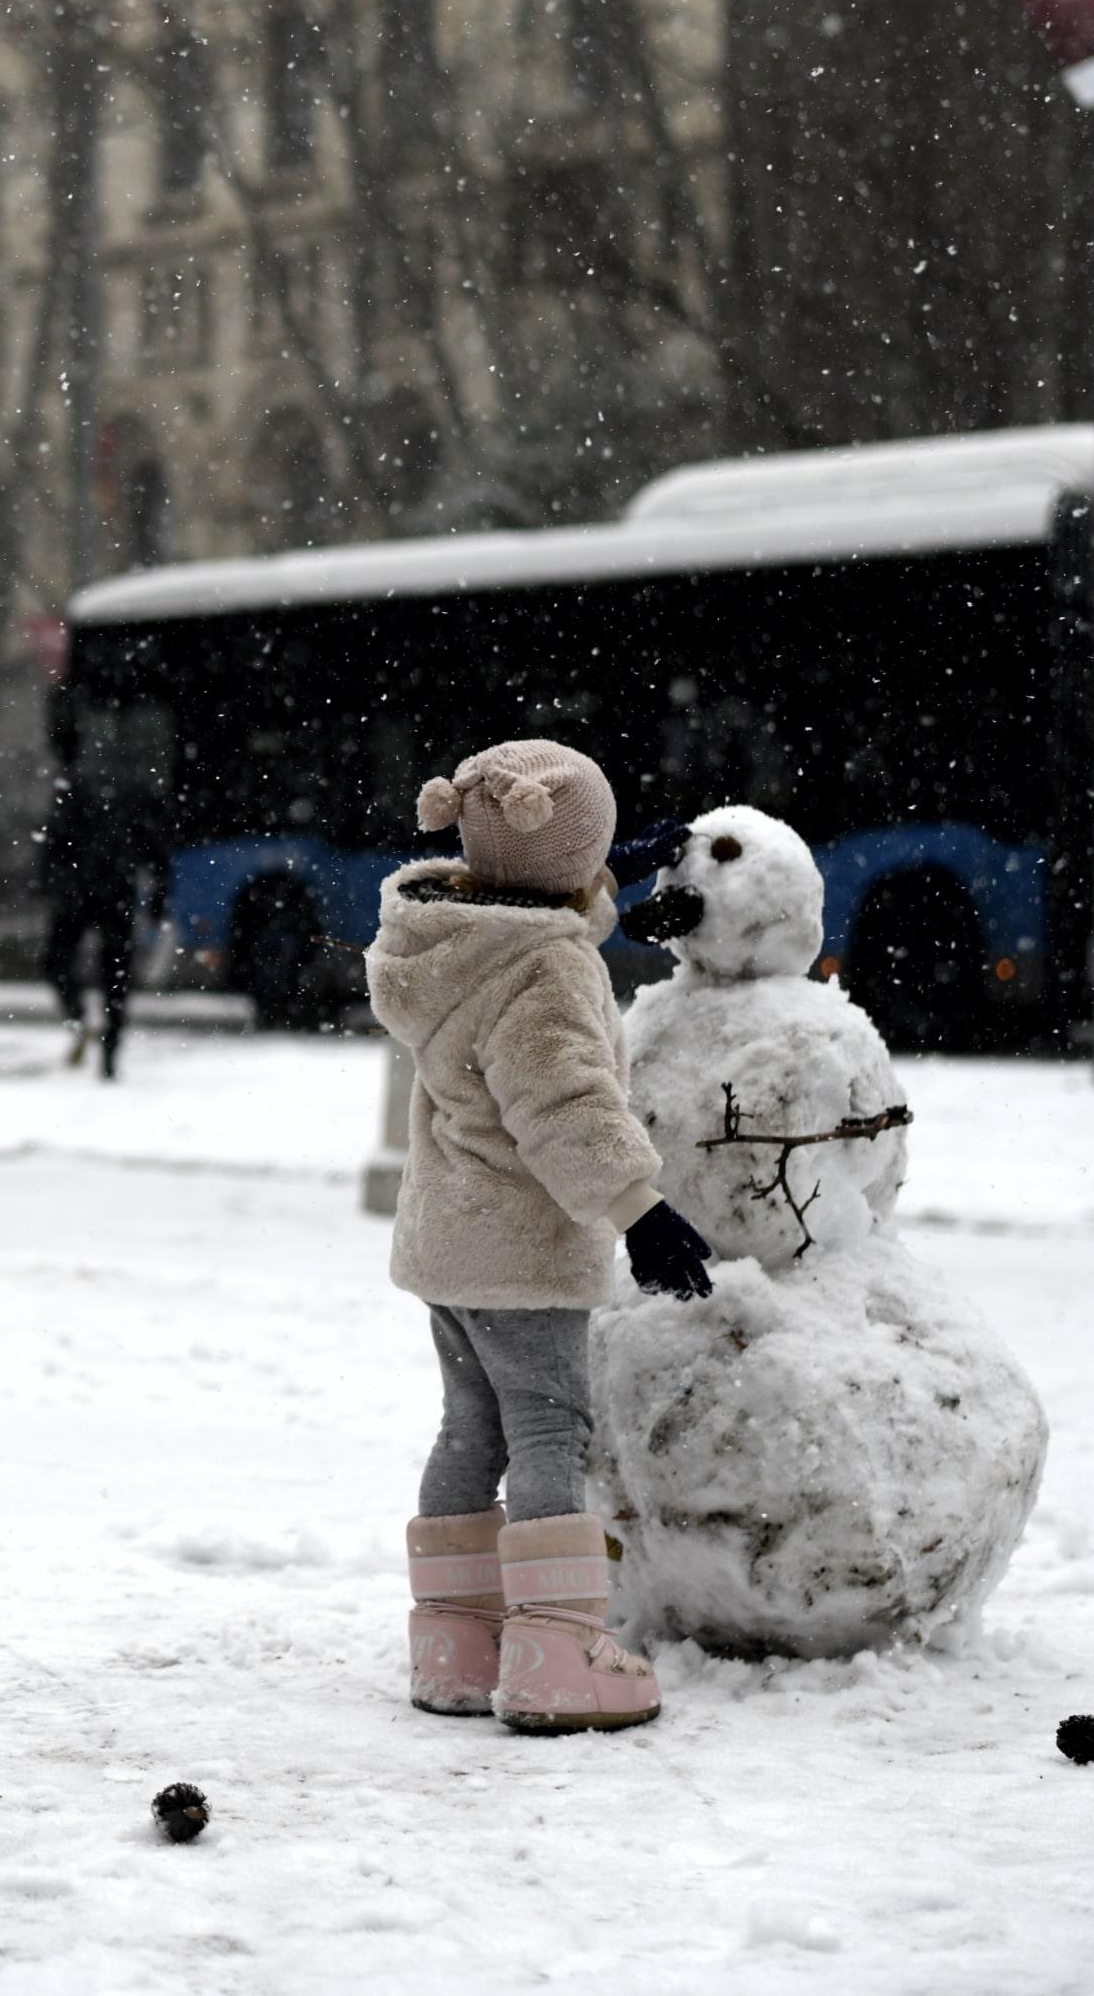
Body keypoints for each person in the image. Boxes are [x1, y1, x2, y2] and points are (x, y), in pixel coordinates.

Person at [364, 739, 710, 1734]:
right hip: (521, 1248)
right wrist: (639, 1210)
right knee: (551, 1425)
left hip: (447, 1240)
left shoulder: (446, 934)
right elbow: (563, 1104)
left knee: (468, 1427)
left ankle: (456, 1641)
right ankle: (558, 1647)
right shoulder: (549, 964)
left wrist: (600, 872)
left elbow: (529, 927)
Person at [38, 754, 168, 1079]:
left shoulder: (76, 786)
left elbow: (53, 840)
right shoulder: (140, 790)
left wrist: (50, 885)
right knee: (116, 975)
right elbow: (157, 849)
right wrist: (157, 899)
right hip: (117, 892)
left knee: (58, 962)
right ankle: (110, 1049)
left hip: (77, 892)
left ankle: (80, 1019)